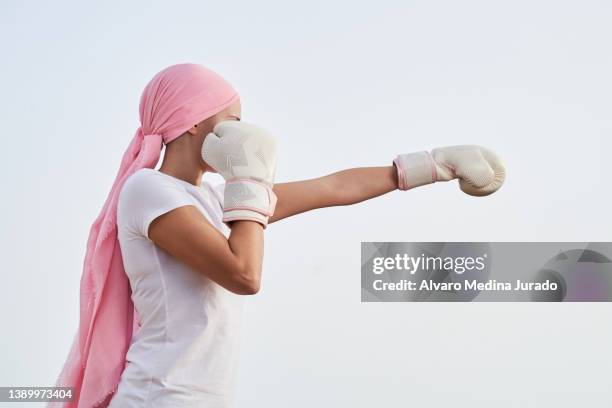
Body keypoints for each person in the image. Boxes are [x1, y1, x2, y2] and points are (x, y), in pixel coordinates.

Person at [50, 63, 505, 408]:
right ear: (192, 121)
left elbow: (332, 187)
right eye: (234, 119)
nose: (242, 131)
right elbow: (244, 273)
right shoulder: (149, 190)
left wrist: (434, 164)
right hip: (158, 397)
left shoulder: (212, 200)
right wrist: (247, 179)